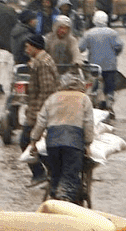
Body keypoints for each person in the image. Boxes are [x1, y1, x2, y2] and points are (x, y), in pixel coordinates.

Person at [32, 69, 97, 205]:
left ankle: (55, 198)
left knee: (56, 173)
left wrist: (33, 141)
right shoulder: (84, 99)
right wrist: (88, 143)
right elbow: (88, 123)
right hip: (74, 142)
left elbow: (41, 120)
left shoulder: (53, 98)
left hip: (53, 141)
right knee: (70, 174)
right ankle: (64, 199)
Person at [79, 10, 124, 103]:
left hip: (94, 66)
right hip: (110, 66)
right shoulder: (113, 33)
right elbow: (119, 46)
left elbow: (81, 48)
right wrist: (115, 54)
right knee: (110, 88)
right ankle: (109, 101)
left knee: (92, 87)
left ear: (94, 20)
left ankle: (93, 99)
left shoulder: (89, 33)